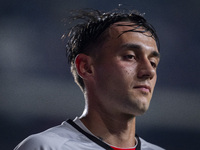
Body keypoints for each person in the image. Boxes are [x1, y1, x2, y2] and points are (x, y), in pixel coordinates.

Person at [14, 8, 164, 150]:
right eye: (130, 57)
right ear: (86, 67)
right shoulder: (46, 147)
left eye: (153, 63)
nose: (149, 71)